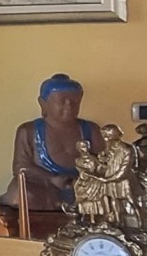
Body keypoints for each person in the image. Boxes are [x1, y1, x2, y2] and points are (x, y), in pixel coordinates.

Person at [8, 73, 102, 223]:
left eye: (74, 102)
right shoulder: (28, 131)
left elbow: (102, 164)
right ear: (43, 104)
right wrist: (51, 179)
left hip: (82, 187)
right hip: (43, 185)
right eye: (61, 101)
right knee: (21, 194)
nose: (68, 106)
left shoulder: (91, 129)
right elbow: (21, 167)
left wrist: (82, 180)